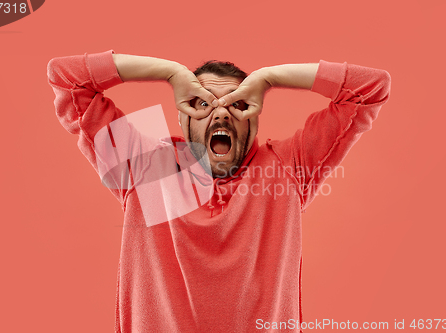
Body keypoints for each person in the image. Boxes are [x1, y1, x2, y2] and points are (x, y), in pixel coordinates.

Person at [47, 50, 390, 332]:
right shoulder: (145, 165)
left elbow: (371, 88)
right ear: (182, 118)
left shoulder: (289, 166)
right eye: (202, 104)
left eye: (239, 104)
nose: (222, 113)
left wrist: (269, 78)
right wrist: (170, 73)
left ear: (255, 118)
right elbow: (66, 78)